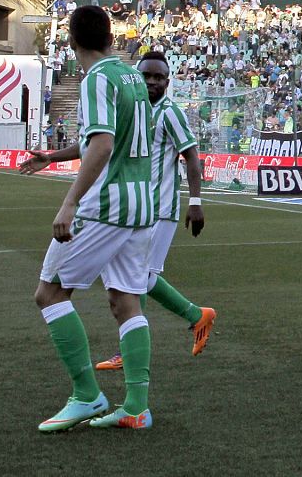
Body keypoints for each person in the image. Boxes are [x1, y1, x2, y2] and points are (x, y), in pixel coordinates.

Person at [21, 5, 158, 431]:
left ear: (72, 40)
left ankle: (86, 394)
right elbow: (105, 140)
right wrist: (53, 156)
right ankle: (136, 407)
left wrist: (70, 202)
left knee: (50, 294)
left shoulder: (97, 78)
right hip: (142, 204)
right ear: (110, 37)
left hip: (107, 205)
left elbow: (100, 145)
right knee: (125, 301)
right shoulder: (131, 75)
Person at [92, 51, 216, 372]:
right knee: (136, 278)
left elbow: (190, 156)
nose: (151, 82)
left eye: (158, 77)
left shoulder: (170, 113)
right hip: (137, 207)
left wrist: (196, 201)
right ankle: (195, 316)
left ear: (167, 82)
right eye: (146, 76)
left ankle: (131, 351)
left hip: (161, 208)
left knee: (140, 278)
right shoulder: (134, 110)